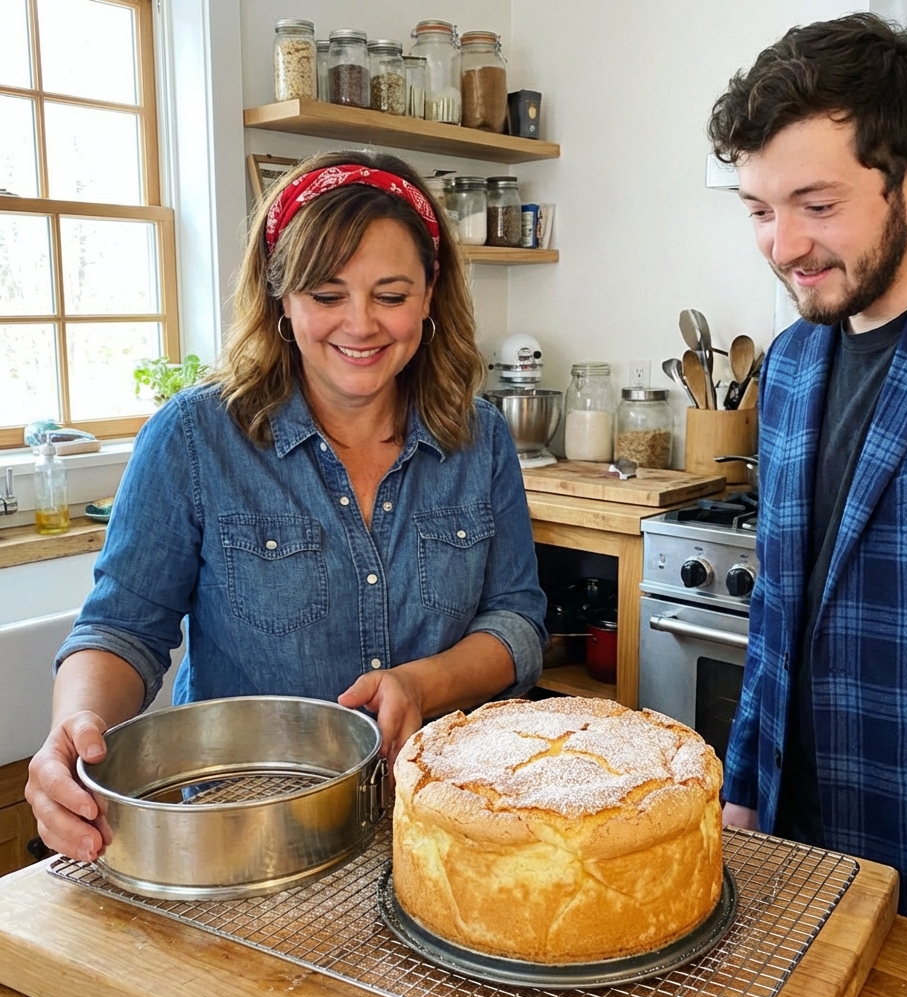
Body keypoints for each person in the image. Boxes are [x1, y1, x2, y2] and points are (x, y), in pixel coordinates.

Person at [25, 151, 547, 867]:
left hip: (437, 826)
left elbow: (516, 620)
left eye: (390, 294)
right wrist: (76, 724)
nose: (360, 324)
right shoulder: (193, 438)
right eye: (327, 294)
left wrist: (421, 684)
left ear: (430, 295)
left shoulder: (479, 437)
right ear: (282, 298)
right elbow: (122, 629)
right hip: (240, 836)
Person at [706, 13, 907, 997]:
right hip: (801, 881)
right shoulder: (795, 358)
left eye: (815, 203)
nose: (782, 245)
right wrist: (743, 791)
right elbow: (778, 617)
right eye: (757, 207)